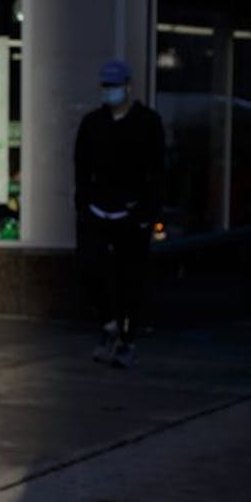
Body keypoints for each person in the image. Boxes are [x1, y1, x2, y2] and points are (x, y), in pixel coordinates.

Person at [75, 58, 165, 369]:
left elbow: (157, 170)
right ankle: (108, 324)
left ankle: (127, 339)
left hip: (131, 211)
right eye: (105, 86)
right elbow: (81, 167)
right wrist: (84, 205)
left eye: (114, 86)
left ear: (128, 86)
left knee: (130, 278)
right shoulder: (92, 123)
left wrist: (146, 211)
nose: (109, 91)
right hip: (97, 209)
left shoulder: (147, 122)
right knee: (90, 266)